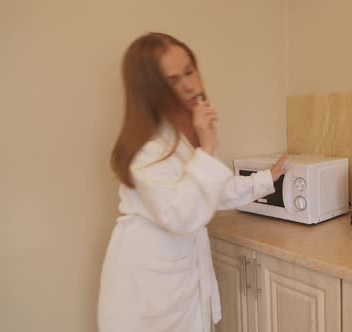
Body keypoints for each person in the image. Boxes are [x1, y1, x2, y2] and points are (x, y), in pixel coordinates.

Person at [97, 32, 287, 332]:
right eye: (172, 80)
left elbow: (213, 191)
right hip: (148, 277)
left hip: (178, 271)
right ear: (150, 90)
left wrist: (266, 179)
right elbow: (182, 214)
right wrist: (208, 148)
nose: (188, 84)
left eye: (189, 71)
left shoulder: (184, 132)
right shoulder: (145, 147)